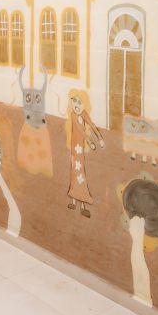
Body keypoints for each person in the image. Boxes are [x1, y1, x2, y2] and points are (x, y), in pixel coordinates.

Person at [65, 89, 104, 218]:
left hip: (80, 149)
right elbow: (80, 130)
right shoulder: (73, 115)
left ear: (85, 104)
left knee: (80, 172)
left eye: (80, 102)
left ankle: (82, 204)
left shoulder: (84, 113)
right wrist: (90, 141)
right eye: (74, 101)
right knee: (75, 172)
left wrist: (99, 137)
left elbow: (91, 124)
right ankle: (75, 201)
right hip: (75, 148)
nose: (76, 105)